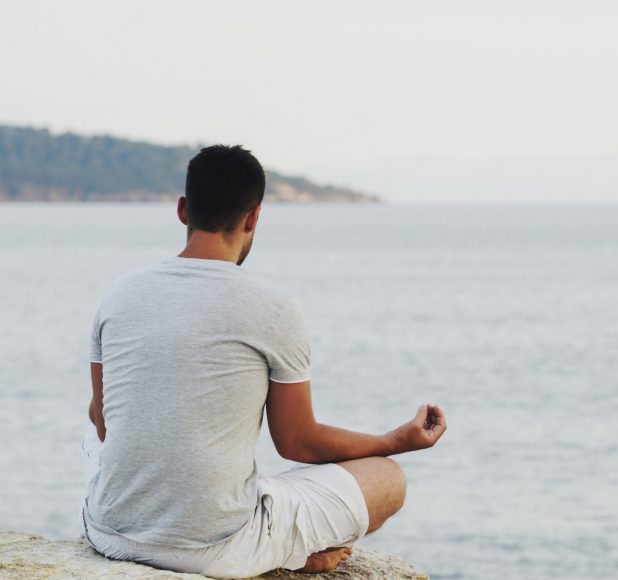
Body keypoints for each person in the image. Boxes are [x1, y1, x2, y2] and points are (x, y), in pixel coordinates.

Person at [81, 144, 447, 578]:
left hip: (109, 534)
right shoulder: (274, 307)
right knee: (388, 480)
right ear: (253, 217)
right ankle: (288, 553)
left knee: (98, 419)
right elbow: (297, 443)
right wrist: (395, 440)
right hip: (215, 549)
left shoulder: (120, 294)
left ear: (183, 210)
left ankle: (270, 539)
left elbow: (103, 421)